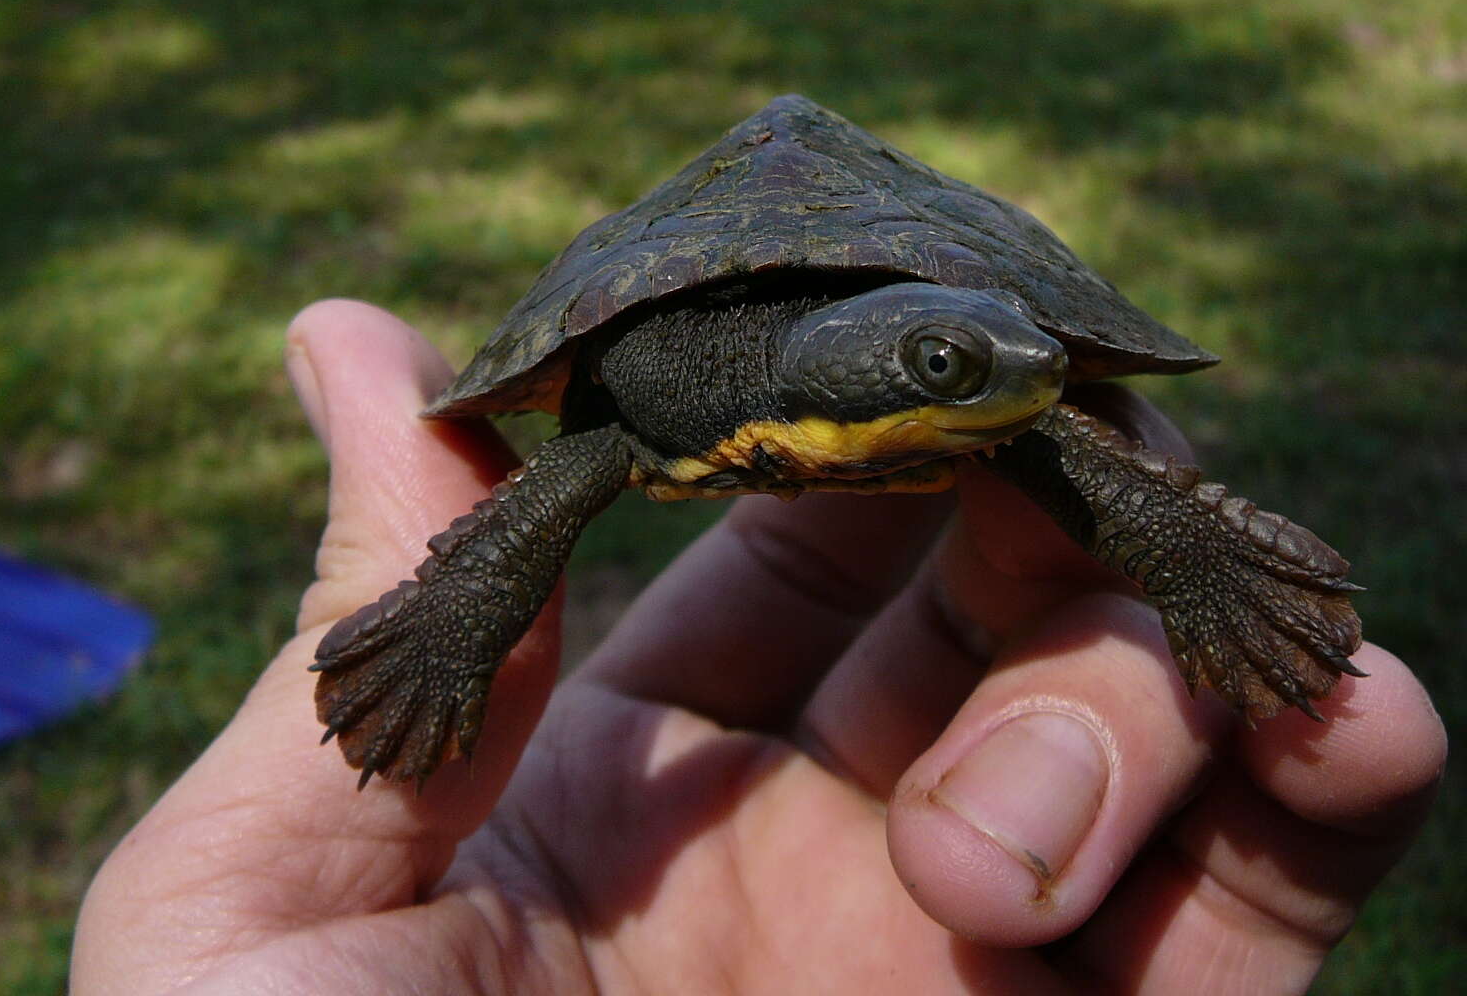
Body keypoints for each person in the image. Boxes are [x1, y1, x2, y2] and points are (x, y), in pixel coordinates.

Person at [72, 300, 1445, 993]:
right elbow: (542, 491)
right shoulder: (650, 387)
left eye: (1021, 356)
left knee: (1079, 467)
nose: (1024, 381)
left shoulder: (1006, 397)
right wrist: (439, 639)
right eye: (949, 369)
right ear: (828, 368)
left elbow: (1036, 410)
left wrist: (1207, 570)